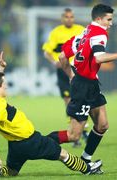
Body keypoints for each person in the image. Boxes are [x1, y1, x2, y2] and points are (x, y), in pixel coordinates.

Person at [47, 4, 117, 166]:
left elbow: (63, 56)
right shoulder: (100, 33)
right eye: (109, 19)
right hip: (83, 87)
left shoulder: (84, 33)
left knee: (102, 125)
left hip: (90, 84)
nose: (111, 23)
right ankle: (39, 143)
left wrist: (71, 75)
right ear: (99, 19)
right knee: (74, 135)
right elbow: (99, 57)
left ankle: (85, 159)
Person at [0, 51, 102, 176]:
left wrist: (2, 66)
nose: (6, 87)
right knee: (63, 155)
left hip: (16, 145)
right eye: (4, 85)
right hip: (30, 141)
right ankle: (88, 169)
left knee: (10, 171)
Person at [42, 8, 87, 147]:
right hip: (63, 71)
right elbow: (46, 51)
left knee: (82, 99)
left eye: (71, 16)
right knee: (68, 100)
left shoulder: (81, 30)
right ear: (62, 18)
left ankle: (82, 129)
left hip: (78, 70)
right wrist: (54, 62)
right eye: (66, 17)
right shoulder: (56, 32)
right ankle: (75, 132)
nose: (69, 19)